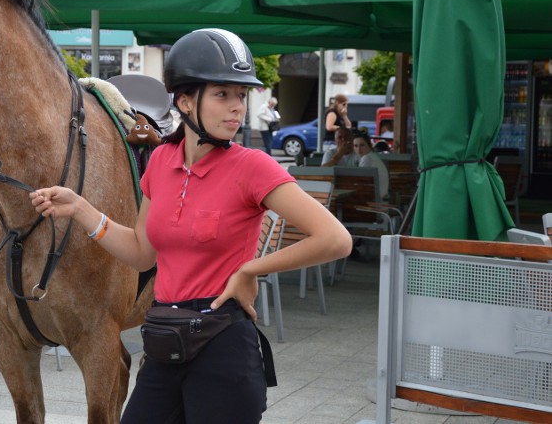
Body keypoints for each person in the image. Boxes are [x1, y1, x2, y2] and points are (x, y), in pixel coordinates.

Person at [30, 28, 352, 424]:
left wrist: (252, 269)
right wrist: (80, 208)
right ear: (184, 100)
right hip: (166, 340)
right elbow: (141, 252)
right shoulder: (162, 162)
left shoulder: (252, 167)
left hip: (224, 345)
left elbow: (336, 239)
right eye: (222, 94)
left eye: (241, 96)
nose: (237, 108)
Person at [352, 130, 389, 199]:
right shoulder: (372, 156)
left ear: (369, 145)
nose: (358, 149)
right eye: (356, 146)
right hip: (381, 198)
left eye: (362, 145)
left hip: (376, 201)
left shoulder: (367, 158)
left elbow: (359, 182)